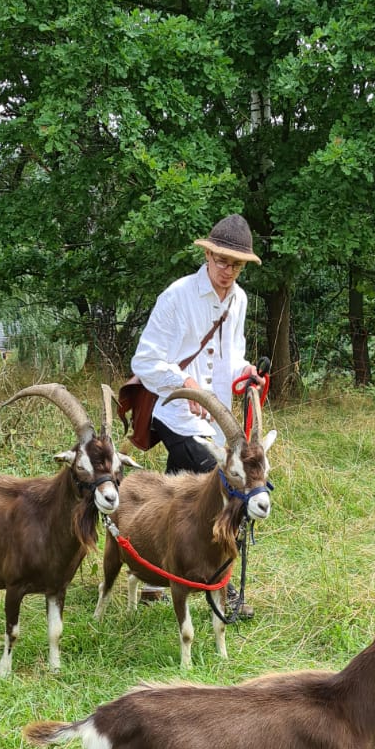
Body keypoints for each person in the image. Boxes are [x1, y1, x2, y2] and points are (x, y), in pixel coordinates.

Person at [130, 213, 262, 615]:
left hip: (216, 420)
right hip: (175, 414)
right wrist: (182, 382)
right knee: (226, 487)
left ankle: (154, 568)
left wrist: (246, 372)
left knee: (175, 489)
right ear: (206, 255)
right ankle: (224, 588)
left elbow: (231, 356)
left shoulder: (238, 300)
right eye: (221, 261)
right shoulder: (177, 296)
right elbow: (144, 361)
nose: (228, 272)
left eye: (237, 265)